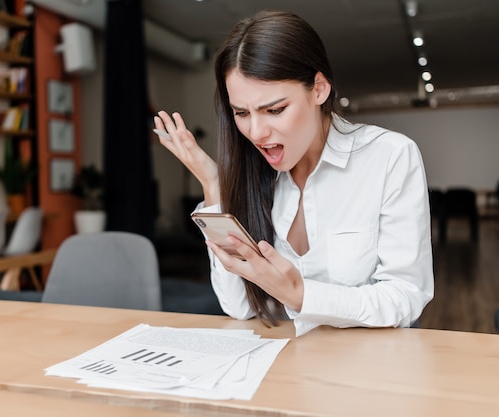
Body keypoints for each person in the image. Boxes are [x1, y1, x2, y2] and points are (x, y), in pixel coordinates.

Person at [153, 11, 434, 336]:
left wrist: (301, 295)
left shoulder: (390, 156)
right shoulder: (254, 171)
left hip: (367, 368)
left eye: (275, 110)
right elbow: (238, 307)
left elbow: (406, 297)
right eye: (242, 113)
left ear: (318, 90)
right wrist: (214, 187)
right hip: (287, 365)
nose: (256, 132)